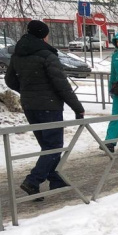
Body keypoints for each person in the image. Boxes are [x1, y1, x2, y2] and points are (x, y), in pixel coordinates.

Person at [5, 20, 85, 200]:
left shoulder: (18, 54)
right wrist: (78, 108)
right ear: (43, 35)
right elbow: (62, 85)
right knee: (53, 146)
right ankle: (33, 181)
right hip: (49, 107)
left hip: (29, 106)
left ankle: (55, 178)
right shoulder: (47, 55)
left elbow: (10, 81)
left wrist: (27, 91)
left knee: (47, 146)